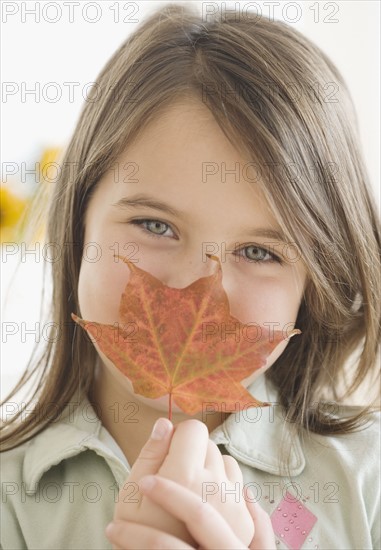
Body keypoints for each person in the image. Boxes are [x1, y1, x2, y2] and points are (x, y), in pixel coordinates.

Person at [1, 3, 380, 549]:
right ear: (79, 218)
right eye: (154, 224)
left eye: (258, 250)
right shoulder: (11, 494)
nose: (197, 290)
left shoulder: (367, 480)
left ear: (315, 283)